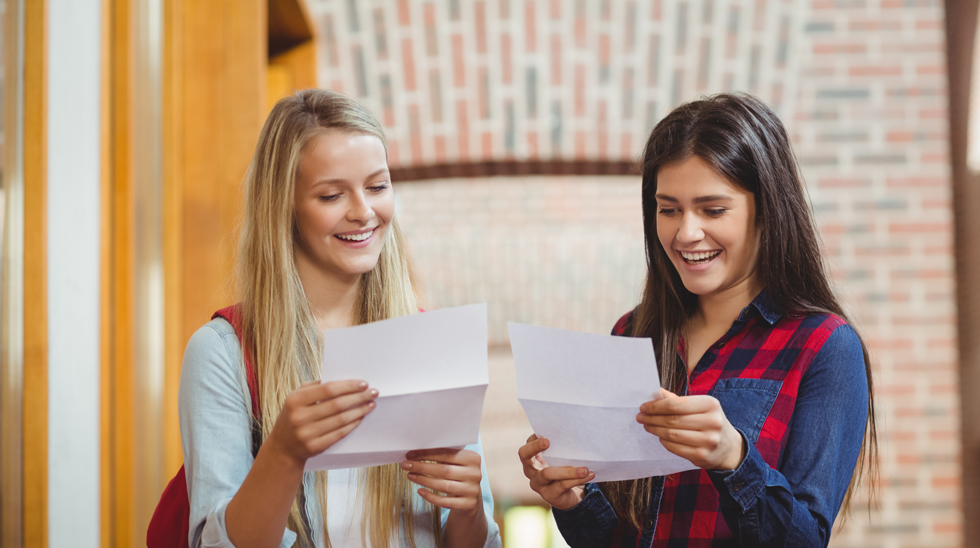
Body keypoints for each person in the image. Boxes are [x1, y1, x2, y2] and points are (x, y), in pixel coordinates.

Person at [517, 93, 877, 547]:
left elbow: (806, 541)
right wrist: (573, 500)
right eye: (668, 210)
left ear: (766, 210)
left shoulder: (824, 347)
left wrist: (733, 457)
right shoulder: (632, 335)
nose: (686, 233)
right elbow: (615, 537)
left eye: (712, 209)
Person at [179, 89, 501, 548]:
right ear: (283, 206)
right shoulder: (222, 353)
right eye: (331, 194)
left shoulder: (430, 341)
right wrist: (284, 454)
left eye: (377, 186)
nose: (364, 212)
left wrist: (467, 510)